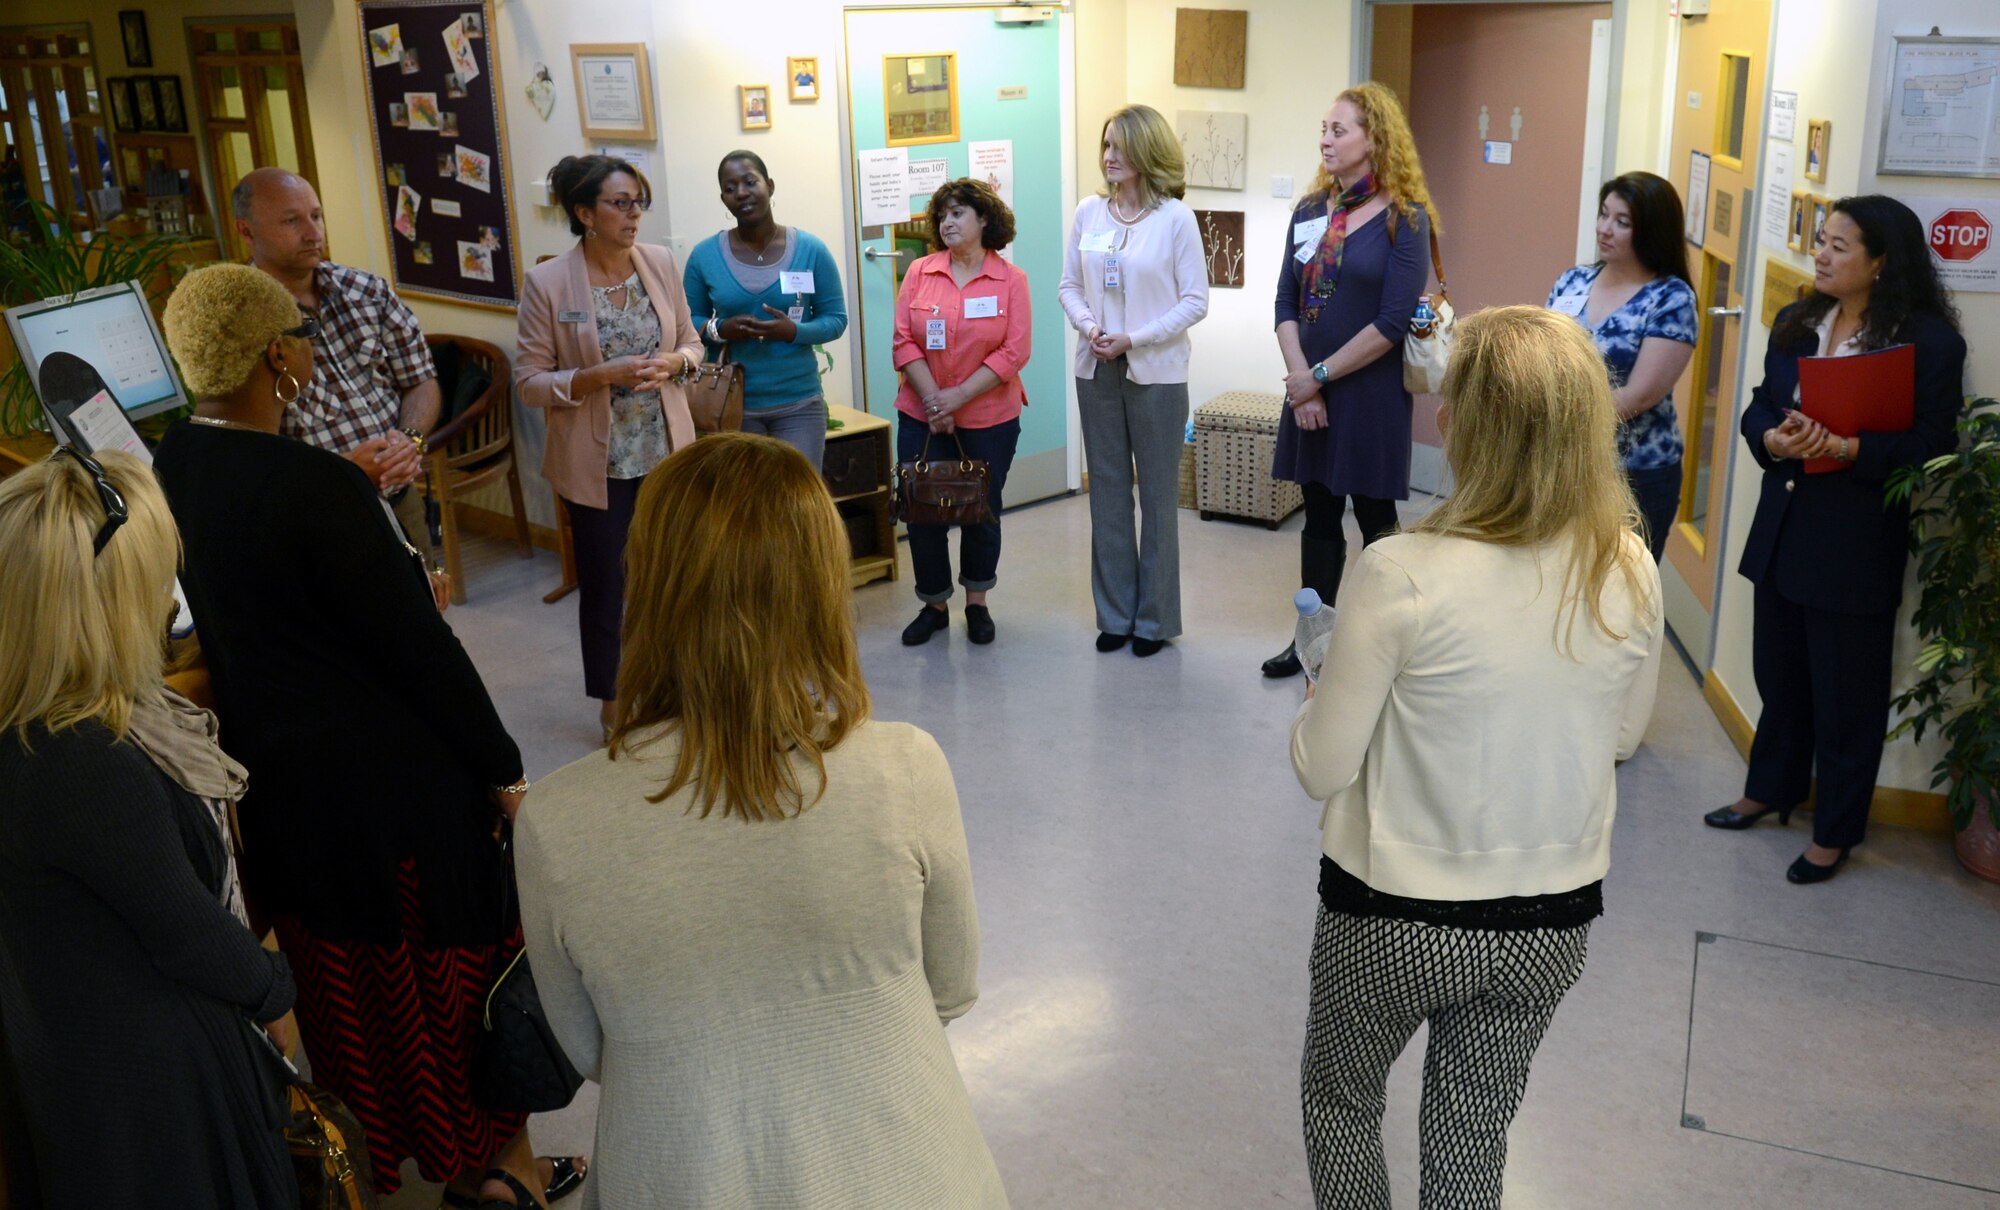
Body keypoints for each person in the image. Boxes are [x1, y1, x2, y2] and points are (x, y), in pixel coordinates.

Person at [152, 265, 583, 1209]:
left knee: (350, 988)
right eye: (302, 339)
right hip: (396, 800)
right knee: (454, 984)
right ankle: (501, 1176)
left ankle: (382, 1157)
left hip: (285, 794)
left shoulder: (169, 468)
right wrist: (505, 773)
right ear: (278, 357)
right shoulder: (317, 486)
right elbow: (421, 654)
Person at [517, 433, 1007, 1209]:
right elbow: (950, 988)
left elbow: (589, 1050)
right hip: (912, 1171)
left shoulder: (553, 819)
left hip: (677, 1172)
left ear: (647, 581)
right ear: (822, 586)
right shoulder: (907, 767)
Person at [1291, 306, 1663, 1209]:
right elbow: (1620, 737)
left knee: (1341, 1101)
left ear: (1463, 428)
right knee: (1472, 1129)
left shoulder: (1400, 570)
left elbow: (1321, 767)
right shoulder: (1625, 564)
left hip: (1393, 914)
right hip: (1551, 921)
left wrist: (1319, 690)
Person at [0, 447, 297, 1209]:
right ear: (110, 604)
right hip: (146, 1091)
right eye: (156, 581)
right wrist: (275, 992)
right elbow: (189, 932)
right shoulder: (81, 760)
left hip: (72, 1044)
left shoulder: (33, 723)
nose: (169, 602)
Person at [1705, 195, 1966, 883]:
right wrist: (1772, 436)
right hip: (1785, 527)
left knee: (1847, 698)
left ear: (1881, 261)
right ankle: (1771, 789)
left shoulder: (1930, 344)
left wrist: (1851, 447)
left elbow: (1933, 447)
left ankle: (1835, 832)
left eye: (1838, 246)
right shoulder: (1799, 321)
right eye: (1821, 241)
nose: (1819, 255)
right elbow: (1761, 404)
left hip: (1854, 544)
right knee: (1779, 675)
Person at [517, 154, 700, 741]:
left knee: (672, 577)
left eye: (638, 202)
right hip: (598, 463)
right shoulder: (549, 283)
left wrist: (675, 363)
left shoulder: (660, 263)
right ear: (585, 213)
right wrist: (597, 376)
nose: (634, 215)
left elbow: (692, 343)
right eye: (620, 204)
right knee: (606, 587)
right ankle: (614, 702)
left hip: (666, 451)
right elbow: (529, 383)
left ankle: (672, 684)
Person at [1264, 82, 1436, 679]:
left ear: (1374, 138)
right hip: (1308, 393)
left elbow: (1392, 322)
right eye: (1324, 129)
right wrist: (1301, 381)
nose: (1326, 140)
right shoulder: (1311, 211)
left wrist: (1317, 376)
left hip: (1368, 396)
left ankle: (1388, 646)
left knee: (1376, 522)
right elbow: (1285, 301)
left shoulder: (1405, 219)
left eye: (1339, 131)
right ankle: (1312, 641)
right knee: (1317, 516)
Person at [1058, 103, 1209, 657]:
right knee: (1108, 495)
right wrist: (1091, 327)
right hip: (1096, 367)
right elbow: (1069, 286)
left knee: (1159, 499)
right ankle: (1116, 614)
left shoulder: (1175, 219)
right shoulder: (1089, 213)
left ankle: (1154, 621)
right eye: (1106, 145)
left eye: (1120, 146)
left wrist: (1134, 338)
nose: (1109, 156)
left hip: (1157, 375)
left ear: (1148, 151)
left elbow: (1195, 301)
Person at [233, 167, 432, 540]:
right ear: (246, 231)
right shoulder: (238, 321)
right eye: (292, 221)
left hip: (399, 499)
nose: (313, 233)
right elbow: (244, 452)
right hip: (315, 517)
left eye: (316, 216)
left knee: (422, 579)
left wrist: (409, 440)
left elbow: (421, 380)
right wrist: (343, 471)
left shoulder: (366, 290)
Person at [893, 178, 1033, 648]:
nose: (947, 223)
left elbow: (1014, 351)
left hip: (990, 417)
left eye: (958, 214)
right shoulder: (920, 272)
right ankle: (934, 606)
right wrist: (935, 400)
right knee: (922, 510)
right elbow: (903, 341)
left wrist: (956, 398)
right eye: (942, 216)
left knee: (981, 511)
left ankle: (977, 603)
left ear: (984, 219)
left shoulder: (1010, 280)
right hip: (920, 412)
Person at [1546, 172, 1698, 561]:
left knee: (1621, 585)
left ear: (1651, 231)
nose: (1604, 229)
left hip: (1635, 472)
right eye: (1604, 214)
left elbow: (1640, 395)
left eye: (1622, 222)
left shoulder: (1671, 298)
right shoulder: (1573, 281)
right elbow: (1544, 357)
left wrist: (1560, 418)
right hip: (1563, 463)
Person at [682, 150, 849, 466]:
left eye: (750, 182)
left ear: (769, 186)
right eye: (730, 188)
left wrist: (793, 332)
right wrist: (720, 329)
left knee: (797, 495)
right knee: (744, 497)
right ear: (723, 199)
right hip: (731, 405)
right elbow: (686, 322)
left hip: (799, 404)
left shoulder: (811, 250)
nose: (741, 193)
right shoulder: (704, 256)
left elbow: (836, 319)